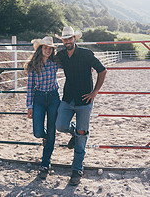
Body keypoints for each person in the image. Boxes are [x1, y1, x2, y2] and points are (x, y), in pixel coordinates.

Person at [55, 26, 107, 186]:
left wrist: (95, 92)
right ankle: (74, 133)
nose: (68, 41)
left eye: (70, 38)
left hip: (85, 100)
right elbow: (47, 61)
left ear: (74, 39)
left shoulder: (86, 54)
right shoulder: (61, 55)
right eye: (65, 39)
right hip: (68, 98)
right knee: (60, 125)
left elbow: (102, 70)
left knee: (82, 133)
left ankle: (77, 170)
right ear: (63, 41)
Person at [25, 36, 60, 179]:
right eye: (45, 47)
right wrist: (29, 106)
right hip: (39, 98)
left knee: (52, 130)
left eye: (50, 48)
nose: (47, 50)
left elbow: (72, 65)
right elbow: (30, 87)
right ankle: (47, 138)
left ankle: (45, 164)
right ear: (40, 49)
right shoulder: (33, 65)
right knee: (38, 132)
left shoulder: (55, 63)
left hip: (53, 98)